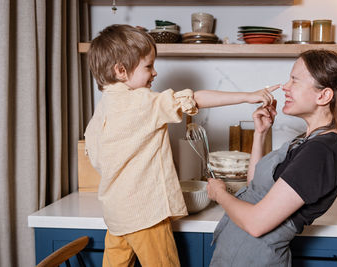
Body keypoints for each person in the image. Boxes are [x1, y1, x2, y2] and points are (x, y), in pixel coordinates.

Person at [84, 24, 276, 267]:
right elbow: (195, 99)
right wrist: (248, 96)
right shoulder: (142, 102)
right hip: (146, 216)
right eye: (148, 66)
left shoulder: (102, 109)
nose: (154, 73)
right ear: (121, 70)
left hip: (116, 216)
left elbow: (94, 155)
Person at [207, 49, 337, 267]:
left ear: (324, 95)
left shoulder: (321, 151)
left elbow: (256, 224)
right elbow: (257, 187)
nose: (285, 87)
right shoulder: (308, 140)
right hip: (240, 256)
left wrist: (220, 194)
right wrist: (260, 134)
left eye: (294, 80)